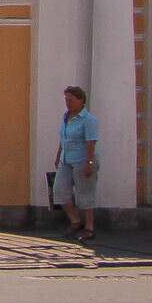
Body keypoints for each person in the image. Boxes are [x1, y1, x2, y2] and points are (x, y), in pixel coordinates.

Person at [53, 84, 98, 242]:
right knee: (59, 190)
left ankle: (90, 227)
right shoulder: (66, 117)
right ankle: (75, 221)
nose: (68, 102)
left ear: (81, 100)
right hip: (66, 158)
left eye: (71, 99)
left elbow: (91, 142)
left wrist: (89, 162)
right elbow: (63, 137)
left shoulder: (88, 120)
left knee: (85, 192)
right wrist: (59, 155)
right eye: (66, 99)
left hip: (82, 159)